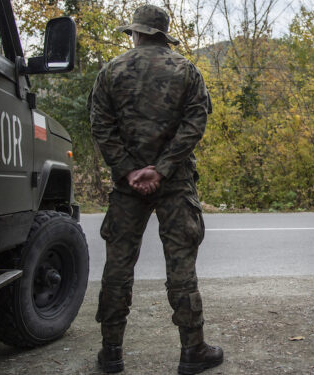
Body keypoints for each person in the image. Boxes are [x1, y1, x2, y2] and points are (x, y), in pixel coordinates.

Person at [89, 4, 222, 374]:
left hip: (127, 185)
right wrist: (161, 169)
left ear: (135, 33)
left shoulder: (111, 71)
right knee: (181, 265)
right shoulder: (186, 70)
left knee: (118, 265)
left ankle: (111, 353)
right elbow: (195, 123)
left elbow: (101, 126)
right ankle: (192, 351)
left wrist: (130, 170)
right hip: (175, 181)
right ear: (163, 34)